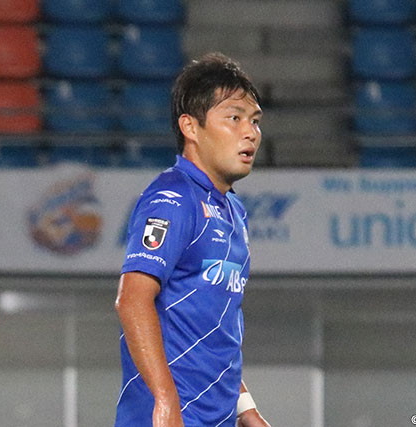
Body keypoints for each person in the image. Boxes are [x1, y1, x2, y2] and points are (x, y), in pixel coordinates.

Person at [114, 53, 271, 427]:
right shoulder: (172, 198)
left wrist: (247, 411)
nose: (250, 132)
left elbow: (214, 333)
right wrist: (166, 400)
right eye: (234, 118)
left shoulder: (234, 211)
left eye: (254, 121)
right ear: (190, 127)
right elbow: (132, 300)